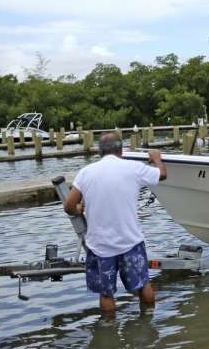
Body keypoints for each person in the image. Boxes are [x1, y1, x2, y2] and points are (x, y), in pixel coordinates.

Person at [63, 131, 167, 317]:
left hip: (100, 246)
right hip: (130, 242)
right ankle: (148, 321)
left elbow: (69, 206)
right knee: (143, 284)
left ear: (100, 152)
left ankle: (109, 330)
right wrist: (156, 158)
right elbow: (162, 175)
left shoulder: (86, 172)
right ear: (121, 150)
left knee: (106, 293)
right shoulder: (133, 168)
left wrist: (79, 209)